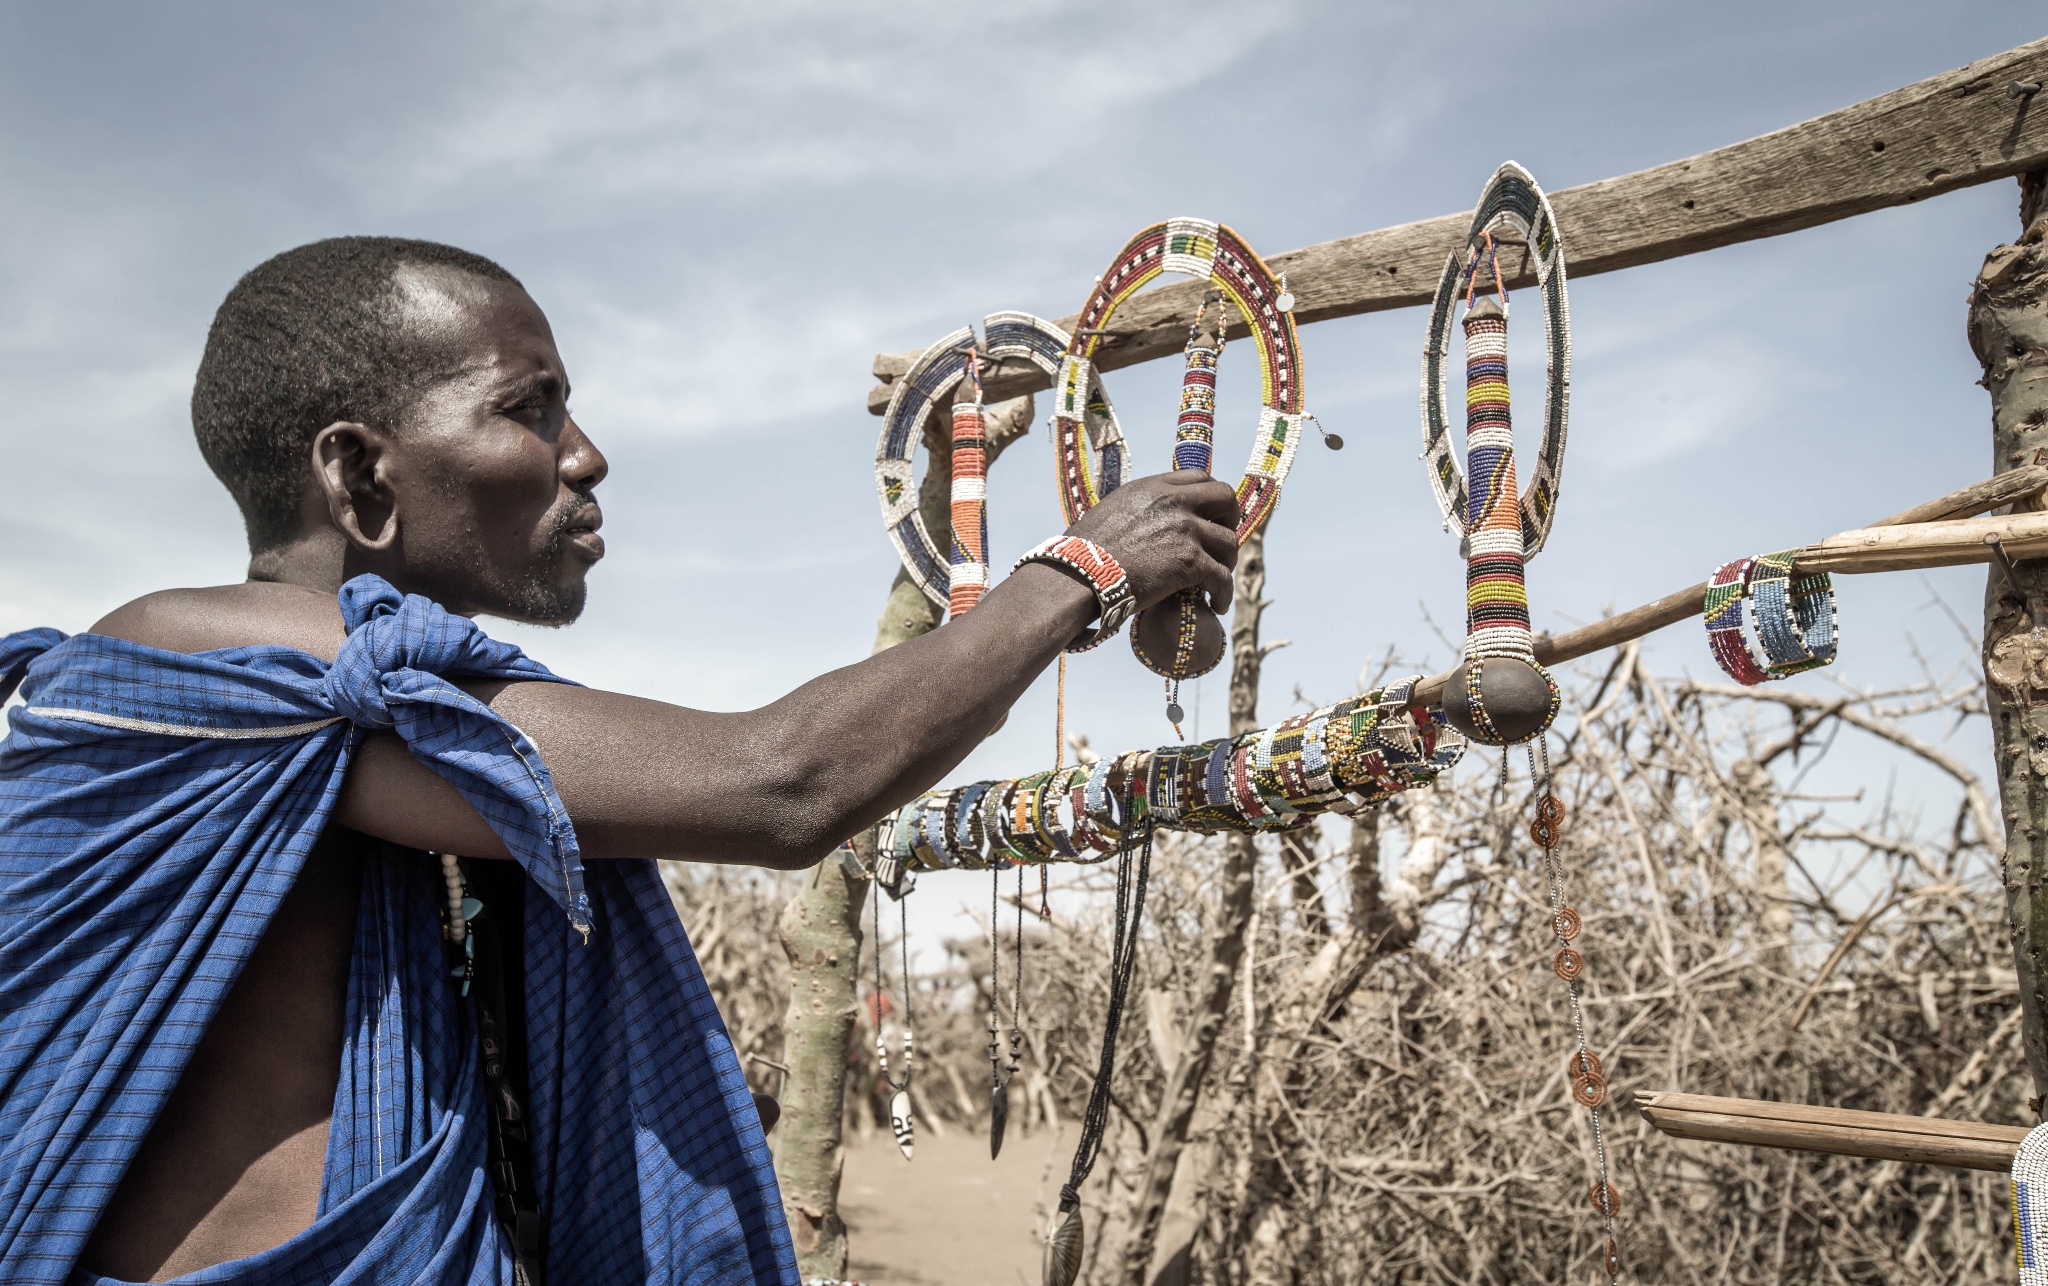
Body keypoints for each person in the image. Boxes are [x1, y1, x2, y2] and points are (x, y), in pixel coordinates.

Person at [0, 237, 1239, 1285]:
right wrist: (1080, 570)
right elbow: (781, 781)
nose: (582, 452)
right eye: (526, 406)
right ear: (358, 471)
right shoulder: (219, 668)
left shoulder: (395, 730)